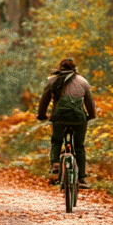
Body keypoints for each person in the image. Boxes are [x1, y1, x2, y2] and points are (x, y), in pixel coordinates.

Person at [36, 57, 96, 188]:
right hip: (78, 119)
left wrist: (41, 115)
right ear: (74, 69)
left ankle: (55, 164)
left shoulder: (53, 80)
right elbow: (89, 103)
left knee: (56, 141)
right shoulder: (83, 81)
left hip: (59, 117)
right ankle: (81, 178)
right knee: (79, 146)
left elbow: (44, 100)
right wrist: (91, 115)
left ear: (60, 67)